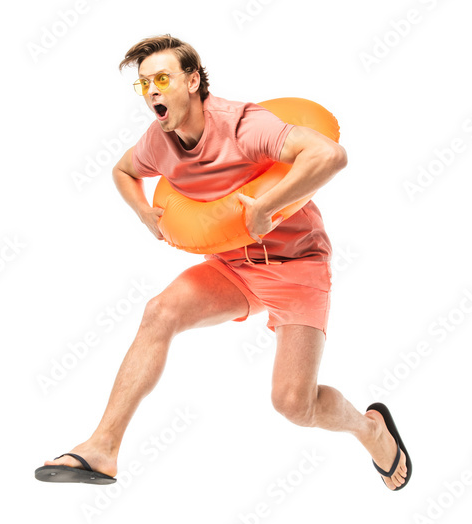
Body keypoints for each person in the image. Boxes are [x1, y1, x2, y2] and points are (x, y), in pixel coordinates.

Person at [36, 34, 411, 490]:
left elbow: (330, 155)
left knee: (294, 403)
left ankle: (370, 429)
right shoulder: (160, 140)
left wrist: (265, 206)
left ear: (192, 81)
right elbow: (123, 170)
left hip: (297, 264)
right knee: (160, 311)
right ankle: (102, 448)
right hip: (233, 266)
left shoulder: (244, 126)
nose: (151, 91)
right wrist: (142, 212)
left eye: (161, 78)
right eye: (143, 84)